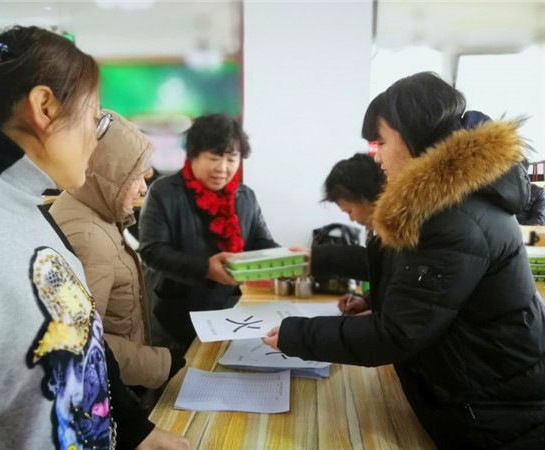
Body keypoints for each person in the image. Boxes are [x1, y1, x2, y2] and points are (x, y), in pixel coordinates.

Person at [265, 72, 545, 448]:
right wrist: (376, 298)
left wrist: (296, 335)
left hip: (495, 413)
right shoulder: (442, 204)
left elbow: (398, 333)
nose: (377, 155)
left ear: (414, 134)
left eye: (381, 142)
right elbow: (424, 289)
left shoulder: (455, 217)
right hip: (477, 393)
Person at [0, 25, 188, 450]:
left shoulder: (30, 204)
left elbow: (83, 333)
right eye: (95, 119)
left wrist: (137, 430)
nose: (96, 141)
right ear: (45, 107)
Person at [49, 110, 185, 393]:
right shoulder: (88, 236)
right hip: (108, 390)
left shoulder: (94, 209)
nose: (144, 189)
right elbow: (82, 339)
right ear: (110, 175)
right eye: (137, 178)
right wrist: (158, 363)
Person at [139, 113, 278, 353]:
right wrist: (206, 268)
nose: (222, 168)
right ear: (193, 155)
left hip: (228, 310)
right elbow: (152, 252)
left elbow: (260, 241)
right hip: (174, 314)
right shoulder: (164, 192)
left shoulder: (245, 196)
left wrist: (286, 259)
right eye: (214, 158)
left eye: (231, 159)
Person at [311, 153, 385, 315]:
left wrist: (377, 317)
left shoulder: (406, 232)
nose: (352, 219)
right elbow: (389, 277)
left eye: (350, 211)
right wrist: (368, 301)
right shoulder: (380, 232)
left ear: (365, 198)